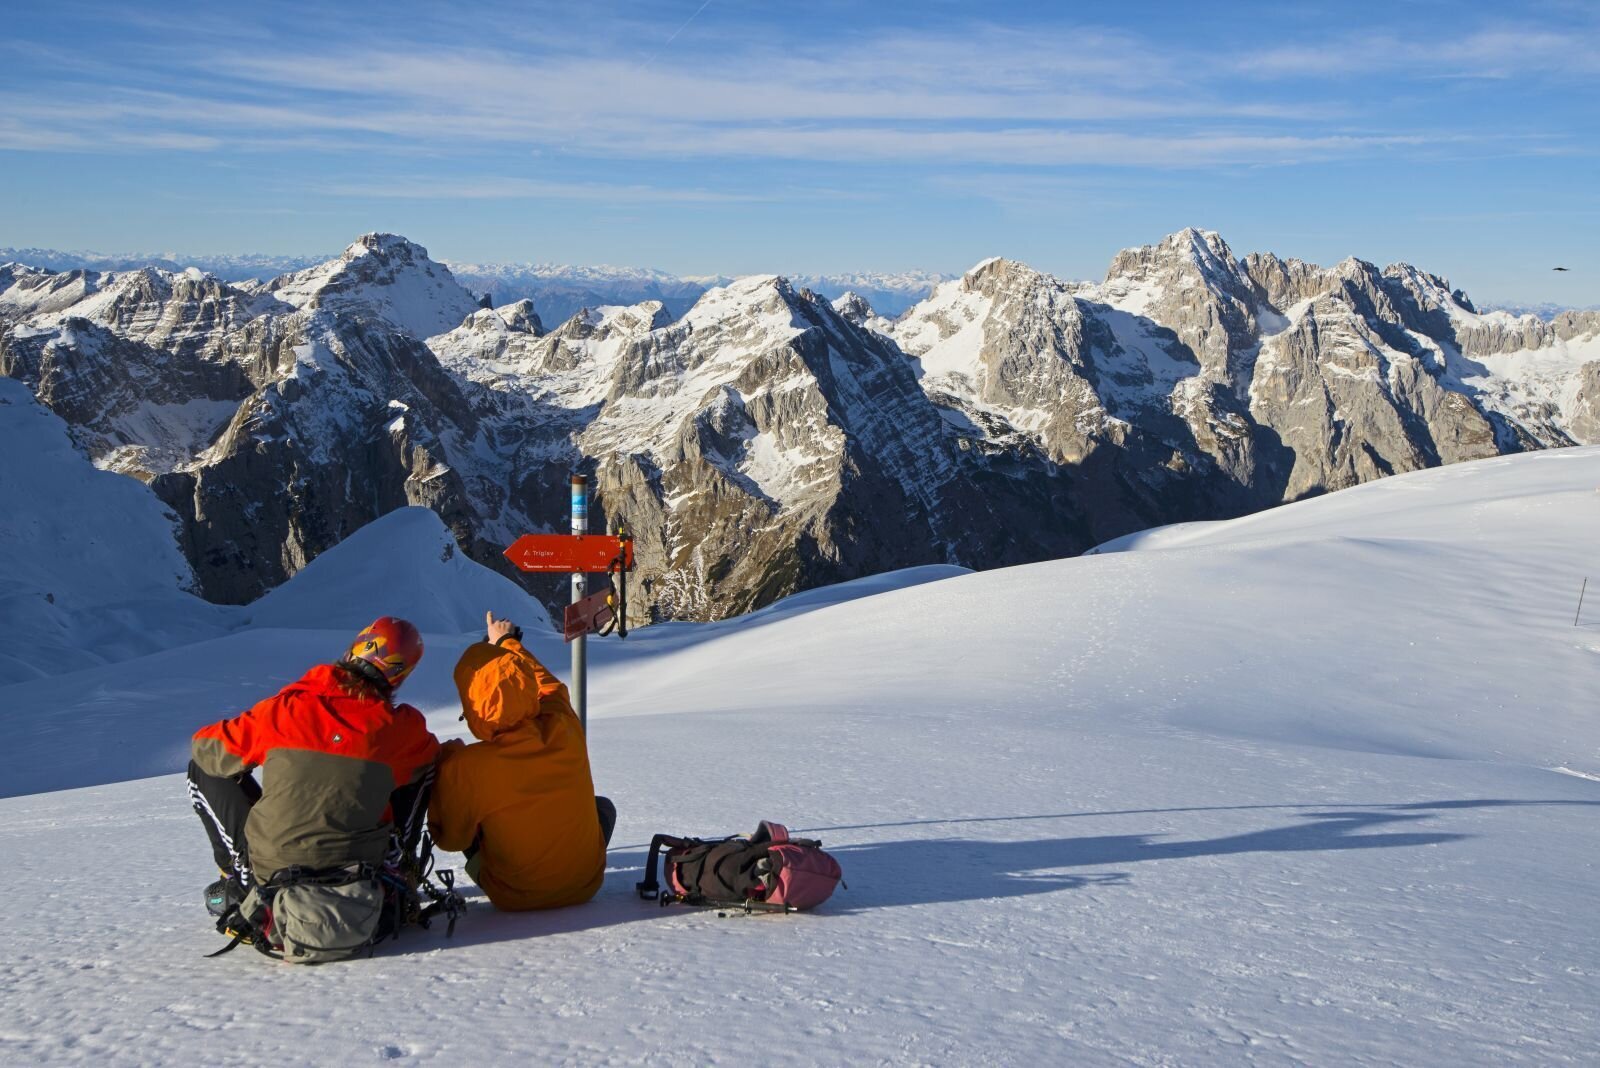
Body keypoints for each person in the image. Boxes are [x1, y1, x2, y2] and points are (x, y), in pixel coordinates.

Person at [188, 617, 441, 931]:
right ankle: (401, 866)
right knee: (423, 768)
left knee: (203, 768)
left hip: (272, 870)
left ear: (354, 650)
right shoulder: (400, 728)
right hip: (361, 870)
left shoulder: (284, 709)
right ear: (400, 674)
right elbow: (431, 759)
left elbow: (206, 750)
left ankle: (240, 881)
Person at [427, 611, 615, 911]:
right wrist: (506, 642)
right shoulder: (563, 725)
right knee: (602, 807)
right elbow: (551, 688)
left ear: (472, 707)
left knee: (473, 818)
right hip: (586, 885)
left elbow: (450, 839)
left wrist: (448, 761)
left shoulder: (468, 767)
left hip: (513, 896)